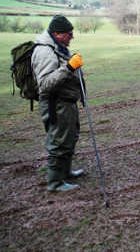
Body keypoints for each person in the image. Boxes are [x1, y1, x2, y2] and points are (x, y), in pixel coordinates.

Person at [32, 15, 85, 192]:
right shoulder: (44, 52)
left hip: (67, 102)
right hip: (56, 105)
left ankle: (66, 172)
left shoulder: (59, 47)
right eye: (69, 34)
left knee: (70, 137)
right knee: (59, 141)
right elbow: (45, 85)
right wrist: (69, 67)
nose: (72, 37)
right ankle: (55, 183)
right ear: (57, 34)